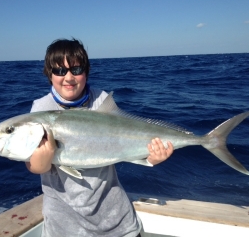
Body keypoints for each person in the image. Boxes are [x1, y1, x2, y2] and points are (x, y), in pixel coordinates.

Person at [26, 38, 174, 237]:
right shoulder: (40, 110)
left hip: (116, 222)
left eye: (76, 70)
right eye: (60, 71)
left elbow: (124, 144)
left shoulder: (101, 101)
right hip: (63, 226)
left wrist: (151, 158)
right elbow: (35, 166)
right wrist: (41, 161)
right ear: (49, 74)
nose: (68, 77)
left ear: (86, 71)